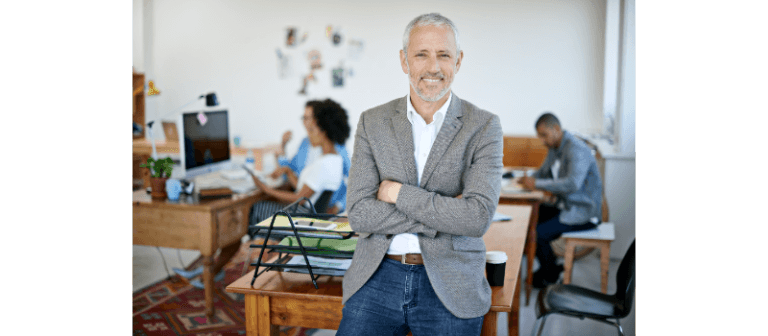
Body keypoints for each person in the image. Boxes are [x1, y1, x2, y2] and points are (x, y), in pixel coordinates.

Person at [336, 13, 503, 336]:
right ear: (404, 61)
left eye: (444, 54)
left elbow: (476, 218)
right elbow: (359, 214)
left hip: (452, 281)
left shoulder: (483, 126)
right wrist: (446, 211)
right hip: (376, 276)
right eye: (421, 54)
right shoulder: (373, 121)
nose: (433, 67)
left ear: (459, 60)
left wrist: (397, 194)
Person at [518, 112, 603, 288]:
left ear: (556, 129)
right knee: (528, 219)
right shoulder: (555, 148)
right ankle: (551, 267)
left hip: (583, 213)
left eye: (544, 135)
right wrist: (526, 180)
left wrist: (537, 183)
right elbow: (542, 173)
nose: (542, 140)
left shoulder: (576, 149)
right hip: (565, 206)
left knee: (540, 233)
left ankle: (549, 274)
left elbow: (572, 183)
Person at [249, 99, 350, 228]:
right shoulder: (333, 158)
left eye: (312, 128)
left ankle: (256, 245)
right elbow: (307, 188)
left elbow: (301, 198)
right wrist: (287, 169)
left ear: (322, 129)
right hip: (311, 215)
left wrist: (266, 189)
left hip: (306, 217)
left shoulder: (327, 161)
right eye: (304, 118)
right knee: (267, 206)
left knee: (257, 208)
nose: (308, 129)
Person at [273, 101, 351, 215]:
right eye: (304, 118)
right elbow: (291, 171)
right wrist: (283, 146)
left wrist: (337, 207)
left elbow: (353, 180)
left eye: (309, 118)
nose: (306, 122)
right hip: (306, 203)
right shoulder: (304, 144)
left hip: (325, 208)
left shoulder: (336, 148)